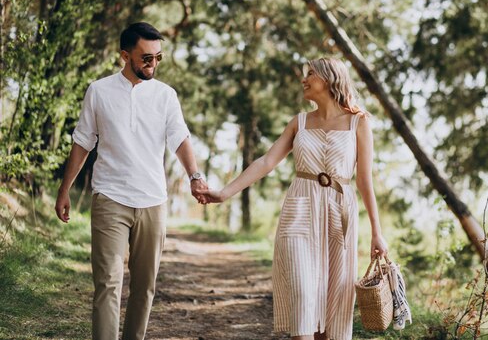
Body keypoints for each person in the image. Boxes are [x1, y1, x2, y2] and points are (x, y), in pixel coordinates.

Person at [200, 57, 388, 340]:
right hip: (299, 208)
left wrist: (377, 232)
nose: (304, 79)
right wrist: (224, 193)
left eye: (310, 74)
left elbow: (364, 180)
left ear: (329, 79)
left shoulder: (357, 123)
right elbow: (266, 162)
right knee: (302, 291)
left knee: (334, 299)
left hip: (339, 213)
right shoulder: (299, 122)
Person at [54, 22, 208, 340]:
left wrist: (195, 177)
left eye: (158, 57)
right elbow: (83, 141)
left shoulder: (166, 96)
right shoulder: (99, 91)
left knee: (144, 286)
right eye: (145, 58)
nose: (152, 64)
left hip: (153, 200)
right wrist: (64, 188)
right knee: (108, 283)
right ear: (125, 55)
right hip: (110, 197)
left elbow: (179, 139)